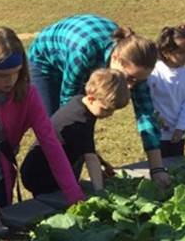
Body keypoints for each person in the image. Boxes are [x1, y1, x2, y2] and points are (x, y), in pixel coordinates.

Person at [0, 27, 84, 226]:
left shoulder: (27, 93)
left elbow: (51, 144)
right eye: (2, 75)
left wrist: (75, 196)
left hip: (1, 184)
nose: (10, 80)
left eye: (16, 73)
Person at [27, 14, 170, 187]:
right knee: (59, 128)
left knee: (80, 133)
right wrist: (90, 155)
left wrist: (157, 169)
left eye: (138, 81)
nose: (131, 86)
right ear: (116, 58)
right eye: (129, 78)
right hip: (45, 64)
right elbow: (70, 109)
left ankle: (72, 187)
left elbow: (146, 114)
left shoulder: (136, 67)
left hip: (84, 54)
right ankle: (53, 189)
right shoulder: (84, 52)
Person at [21, 68, 130, 195]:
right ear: (91, 98)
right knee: (55, 203)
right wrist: (100, 192)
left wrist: (104, 164)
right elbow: (90, 159)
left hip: (38, 167)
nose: (109, 115)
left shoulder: (79, 101)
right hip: (41, 174)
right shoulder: (80, 121)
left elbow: (87, 146)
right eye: (106, 110)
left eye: (113, 111)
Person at [148, 24, 185, 158]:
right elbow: (148, 99)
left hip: (177, 134)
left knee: (177, 167)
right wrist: (157, 119)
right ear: (166, 52)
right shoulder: (154, 73)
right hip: (156, 133)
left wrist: (181, 128)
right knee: (159, 167)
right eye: (181, 52)